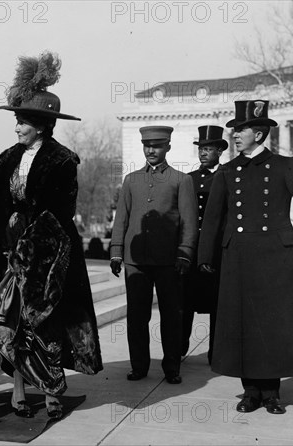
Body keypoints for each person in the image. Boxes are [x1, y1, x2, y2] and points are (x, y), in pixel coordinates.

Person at [0, 52, 103, 421]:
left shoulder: (62, 161)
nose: (17, 126)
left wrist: (28, 234)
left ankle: (53, 392)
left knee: (45, 325)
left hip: (46, 259)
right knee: (9, 325)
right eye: (17, 120)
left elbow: (60, 212)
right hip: (5, 257)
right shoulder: (8, 157)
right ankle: (18, 389)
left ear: (40, 125)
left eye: (22, 121)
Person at [198, 100, 293, 415]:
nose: (234, 135)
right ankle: (250, 392)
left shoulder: (286, 166)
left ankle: (271, 392)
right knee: (243, 324)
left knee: (271, 325)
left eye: (241, 129)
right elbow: (214, 219)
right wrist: (206, 255)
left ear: (259, 134)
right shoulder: (228, 171)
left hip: (275, 257)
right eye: (234, 129)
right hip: (239, 258)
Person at [109, 126, 198, 384]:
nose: (151, 151)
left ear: (167, 147)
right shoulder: (132, 180)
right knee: (137, 316)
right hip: (135, 261)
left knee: (172, 316)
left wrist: (184, 254)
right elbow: (121, 219)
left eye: (157, 146)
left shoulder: (181, 180)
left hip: (169, 261)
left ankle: (172, 368)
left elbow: (189, 223)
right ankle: (139, 366)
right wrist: (116, 252)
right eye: (147, 146)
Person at [181, 125, 227, 364]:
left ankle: (215, 352)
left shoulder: (227, 176)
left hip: (217, 251)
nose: (203, 153)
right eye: (201, 149)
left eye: (208, 148)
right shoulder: (190, 179)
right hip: (192, 248)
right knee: (185, 301)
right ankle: (180, 347)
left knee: (217, 304)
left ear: (219, 150)